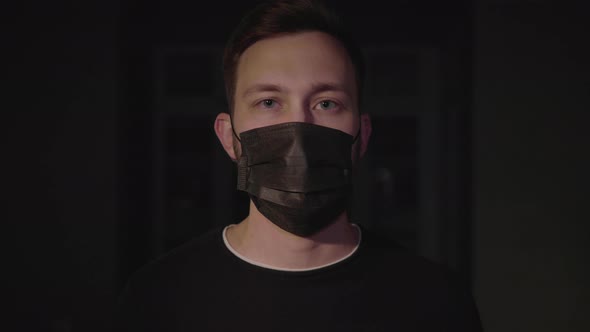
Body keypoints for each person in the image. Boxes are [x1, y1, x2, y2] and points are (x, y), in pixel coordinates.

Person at [113, 1, 483, 331]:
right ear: (229, 137)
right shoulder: (158, 298)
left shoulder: (435, 302)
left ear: (362, 135)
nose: (299, 128)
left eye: (326, 103)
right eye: (269, 102)